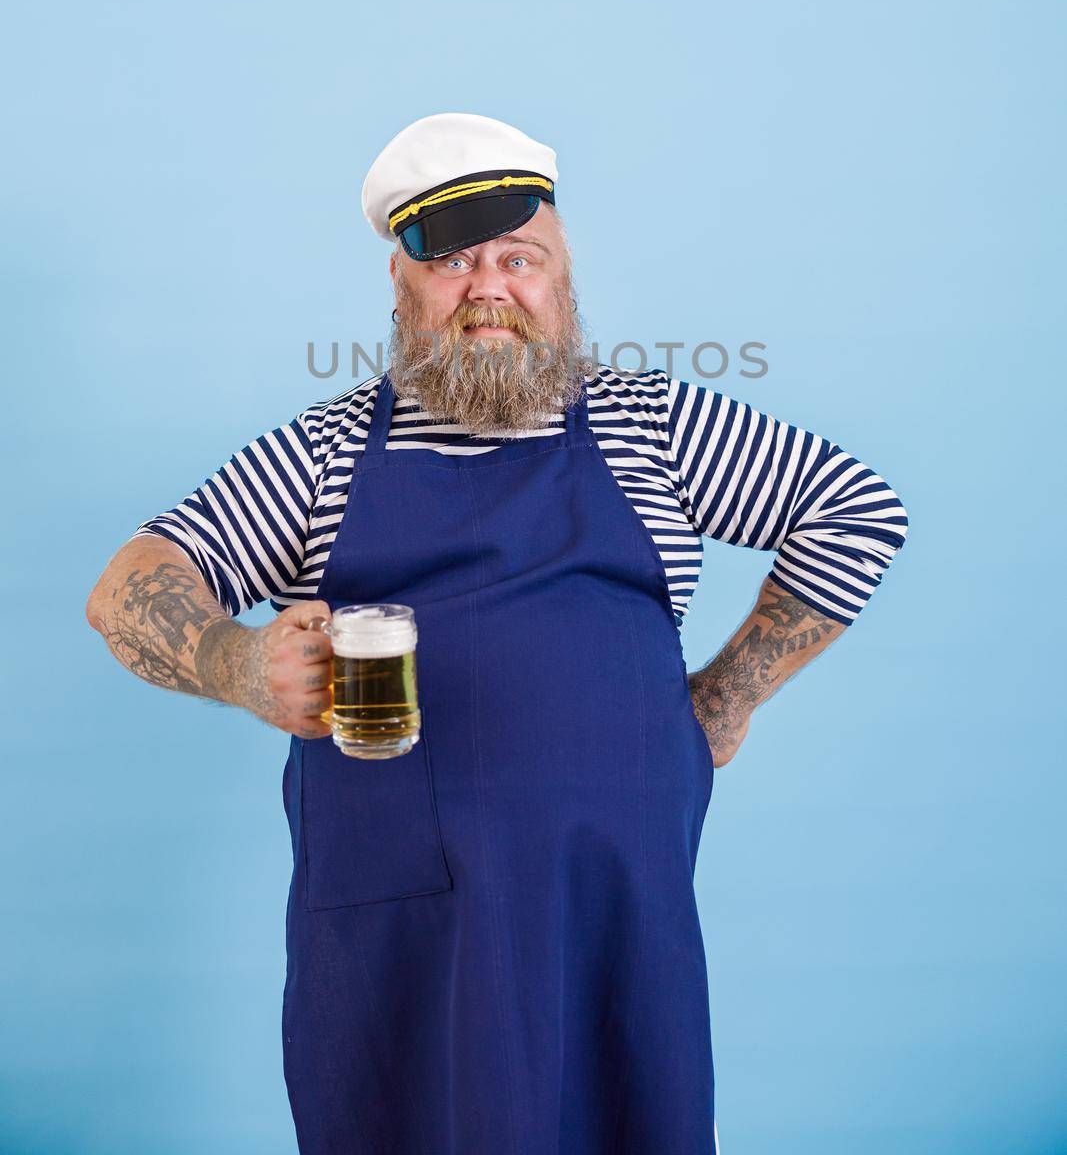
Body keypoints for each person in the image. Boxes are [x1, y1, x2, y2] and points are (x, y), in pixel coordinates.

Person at [86, 111, 909, 1155]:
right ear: (398, 288)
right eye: (451, 264)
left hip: (614, 925)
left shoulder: (646, 423)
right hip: (399, 933)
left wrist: (726, 694)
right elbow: (128, 584)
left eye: (520, 258)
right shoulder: (324, 450)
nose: (488, 287)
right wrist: (236, 661)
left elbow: (854, 509)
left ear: (563, 281)